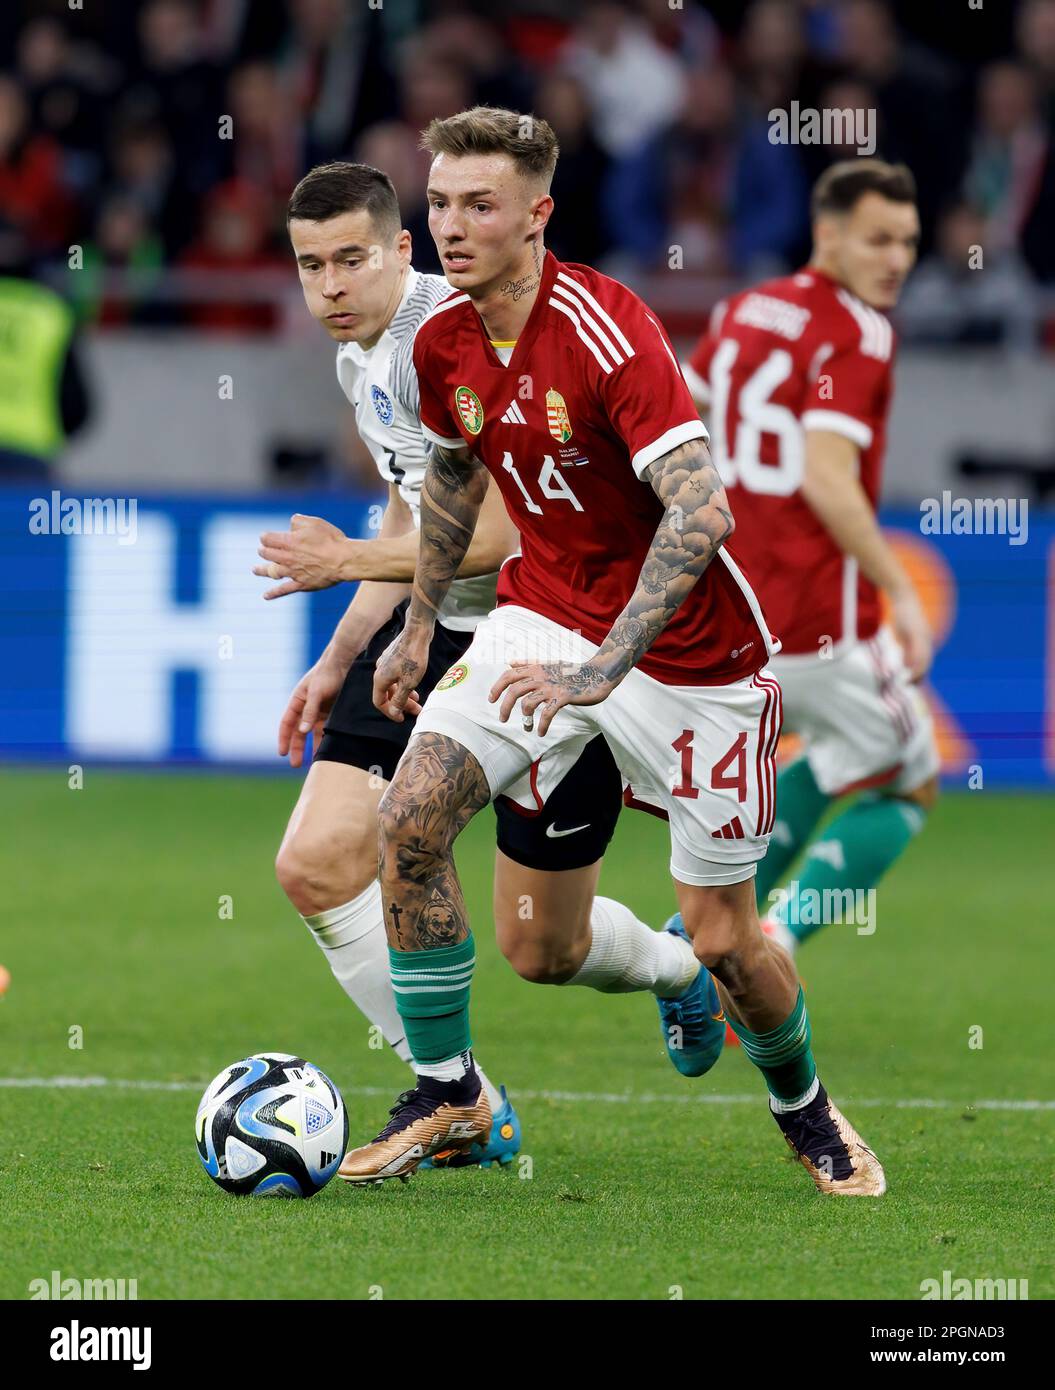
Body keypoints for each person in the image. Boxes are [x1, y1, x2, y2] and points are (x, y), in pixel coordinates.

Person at [343, 107, 884, 1196]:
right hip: (537, 615)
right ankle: (448, 1090)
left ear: (537, 215)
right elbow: (453, 474)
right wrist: (415, 625)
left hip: (691, 657)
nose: (451, 225)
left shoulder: (608, 328)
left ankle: (806, 1110)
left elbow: (699, 516)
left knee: (727, 933)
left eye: (478, 204)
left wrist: (604, 669)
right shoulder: (441, 339)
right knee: (408, 821)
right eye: (438, 202)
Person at [260, 161, 722, 1172]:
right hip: (425, 634)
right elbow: (408, 505)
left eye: (350, 259)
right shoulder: (360, 360)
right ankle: (456, 1092)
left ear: (399, 252)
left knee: (538, 946)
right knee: (314, 861)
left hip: (535, 628)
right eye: (308, 266)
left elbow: (498, 530)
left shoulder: (453, 340)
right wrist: (342, 652)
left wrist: (341, 561)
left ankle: (678, 965)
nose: (329, 285)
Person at [682, 159, 939, 959]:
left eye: (906, 241)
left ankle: (703, 932)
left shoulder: (742, 308)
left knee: (832, 756)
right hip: (821, 624)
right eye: (876, 240)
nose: (894, 259)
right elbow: (824, 478)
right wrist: (899, 591)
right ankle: (775, 938)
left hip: (733, 622)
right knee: (909, 779)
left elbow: (686, 413)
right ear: (826, 234)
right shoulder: (858, 334)